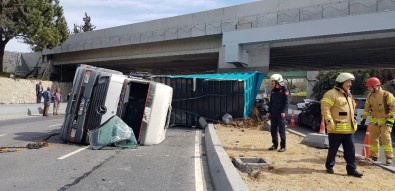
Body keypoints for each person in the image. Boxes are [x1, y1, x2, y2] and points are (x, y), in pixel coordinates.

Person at [321, 72, 363, 177]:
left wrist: (354, 121)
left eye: (350, 82)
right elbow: (325, 109)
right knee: (333, 149)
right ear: (341, 82)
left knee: (351, 151)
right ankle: (329, 166)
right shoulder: (331, 94)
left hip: (349, 129)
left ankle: (352, 170)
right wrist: (329, 122)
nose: (350, 84)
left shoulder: (349, 94)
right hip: (336, 128)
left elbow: (351, 110)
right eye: (348, 82)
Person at [361, 77, 395, 165]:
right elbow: (366, 109)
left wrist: (390, 121)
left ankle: (389, 157)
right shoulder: (369, 96)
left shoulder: (386, 95)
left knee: (385, 138)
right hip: (375, 122)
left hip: (385, 121)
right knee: (373, 139)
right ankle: (374, 156)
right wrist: (363, 119)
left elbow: (394, 108)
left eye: (369, 87)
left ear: (375, 86)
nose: (368, 88)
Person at [265, 74, 289, 152]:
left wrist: (283, 112)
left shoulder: (285, 90)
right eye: (271, 81)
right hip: (274, 113)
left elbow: (286, 102)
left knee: (281, 130)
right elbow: (271, 103)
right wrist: (269, 111)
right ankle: (275, 145)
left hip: (281, 114)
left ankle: (283, 147)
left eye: (273, 82)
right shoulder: (273, 91)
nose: (271, 83)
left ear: (278, 82)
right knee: (273, 130)